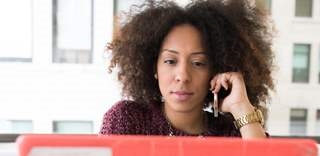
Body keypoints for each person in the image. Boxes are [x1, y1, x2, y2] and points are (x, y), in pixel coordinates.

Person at [100, 0, 274, 139]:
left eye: (198, 63)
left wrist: (241, 107)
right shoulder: (127, 120)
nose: (183, 76)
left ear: (215, 72)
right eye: (170, 61)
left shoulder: (232, 133)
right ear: (154, 68)